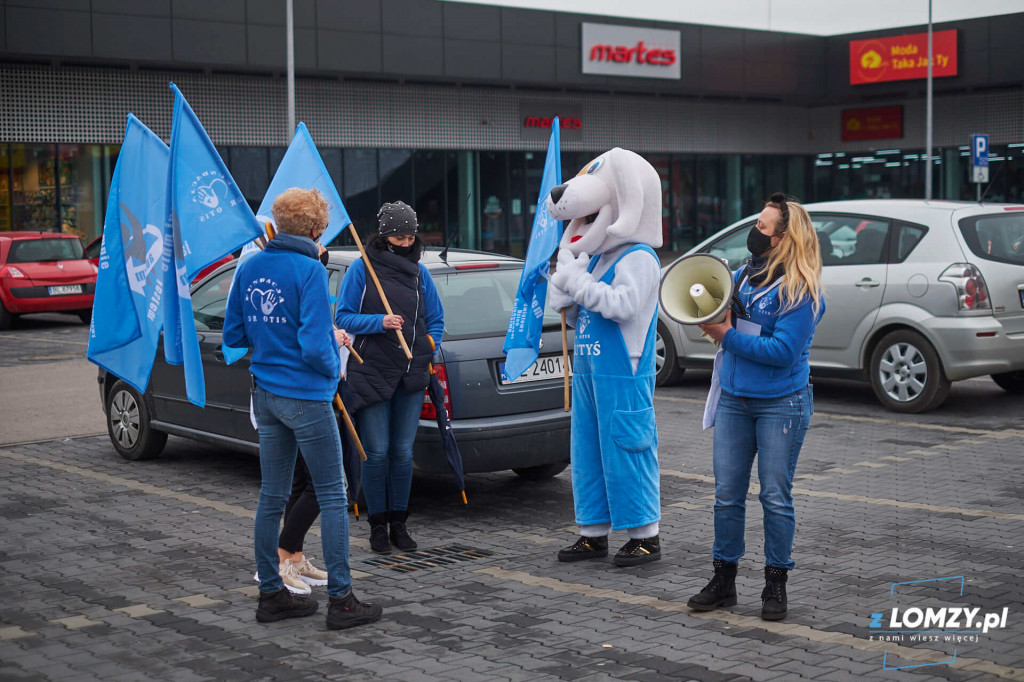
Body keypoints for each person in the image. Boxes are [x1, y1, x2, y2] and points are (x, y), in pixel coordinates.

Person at [224, 187, 382, 630]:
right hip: (306, 395)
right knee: (334, 492)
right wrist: (333, 368)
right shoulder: (310, 270)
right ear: (316, 229)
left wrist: (273, 342)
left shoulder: (252, 265)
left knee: (272, 495)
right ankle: (342, 599)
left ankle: (271, 593)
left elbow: (234, 335)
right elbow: (315, 344)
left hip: (265, 392)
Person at [686, 193, 825, 621]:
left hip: (781, 403)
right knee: (727, 495)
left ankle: (775, 583)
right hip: (735, 399)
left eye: (763, 227)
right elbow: (733, 325)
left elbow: (782, 350)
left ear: (784, 238)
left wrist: (726, 334)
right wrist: (714, 322)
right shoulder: (745, 276)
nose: (754, 232)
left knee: (774, 497)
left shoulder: (801, 290)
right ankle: (723, 579)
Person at [546, 148, 664, 567]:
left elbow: (623, 305)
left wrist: (578, 284)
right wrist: (566, 289)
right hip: (589, 370)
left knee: (627, 451)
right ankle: (592, 533)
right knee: (588, 452)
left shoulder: (640, 258)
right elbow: (585, 313)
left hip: (623, 375)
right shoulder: (598, 259)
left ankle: (645, 535)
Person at [335, 200, 444, 555]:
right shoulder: (360, 270)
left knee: (401, 452)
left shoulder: (420, 274)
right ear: (384, 237)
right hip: (371, 371)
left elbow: (437, 322)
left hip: (412, 373)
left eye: (411, 236)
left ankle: (400, 523)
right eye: (398, 236)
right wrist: (378, 323)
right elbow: (344, 316)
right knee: (377, 452)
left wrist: (427, 345)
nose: (405, 243)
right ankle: (377, 526)